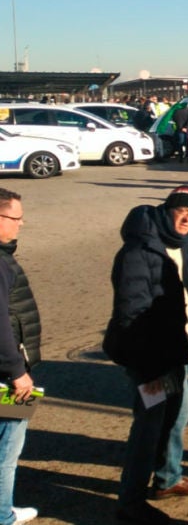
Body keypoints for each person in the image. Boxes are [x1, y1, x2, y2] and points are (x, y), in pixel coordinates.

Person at [105, 186, 188, 525]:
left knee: (179, 413)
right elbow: (130, 311)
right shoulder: (139, 250)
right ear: (168, 209)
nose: (187, 219)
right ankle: (130, 502)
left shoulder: (183, 245)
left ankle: (167, 477)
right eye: (182, 211)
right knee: (149, 425)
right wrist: (149, 367)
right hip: (151, 357)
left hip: (175, 350)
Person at [0, 188, 41, 525]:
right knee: (9, 444)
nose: (21, 224)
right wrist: (17, 370)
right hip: (8, 372)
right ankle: (3, 514)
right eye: (15, 218)